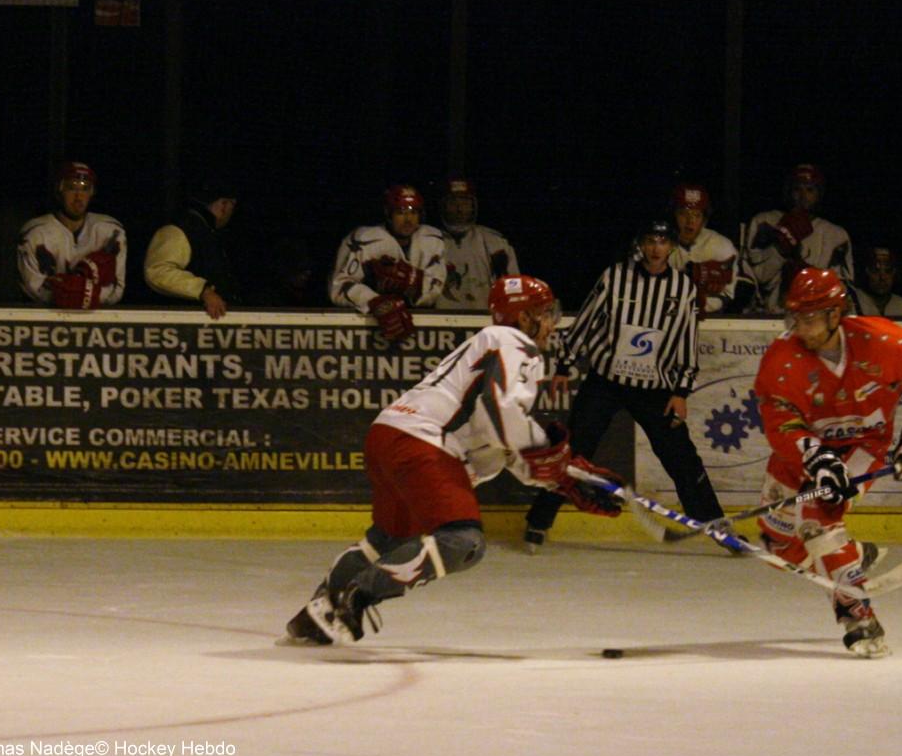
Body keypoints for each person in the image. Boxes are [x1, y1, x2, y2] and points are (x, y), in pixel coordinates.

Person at [284, 275, 622, 645]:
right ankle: (359, 596)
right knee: (462, 542)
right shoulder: (516, 344)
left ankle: (317, 612)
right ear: (523, 317)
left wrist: (560, 478)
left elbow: (498, 440)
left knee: (389, 539)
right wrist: (551, 454)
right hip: (422, 442)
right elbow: (501, 414)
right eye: (544, 313)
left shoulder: (490, 344)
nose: (552, 323)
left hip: (388, 433)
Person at [753, 267, 902, 657]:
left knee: (817, 519)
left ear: (834, 313)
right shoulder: (781, 360)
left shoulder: (885, 342)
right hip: (801, 453)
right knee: (778, 547)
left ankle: (859, 617)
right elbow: (780, 421)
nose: (800, 328)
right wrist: (815, 455)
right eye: (795, 317)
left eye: (810, 318)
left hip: (861, 448)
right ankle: (853, 555)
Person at [522, 219, 730, 552]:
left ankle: (718, 528)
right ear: (641, 244)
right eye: (650, 241)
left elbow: (686, 339)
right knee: (573, 453)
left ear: (671, 247)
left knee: (682, 458)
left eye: (662, 242)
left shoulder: (683, 288)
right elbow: (588, 320)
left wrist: (681, 391)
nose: (656, 249)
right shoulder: (615, 277)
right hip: (606, 382)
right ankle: (538, 521)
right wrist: (564, 365)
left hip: (655, 388)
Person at [330, 184, 447, 342]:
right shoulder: (364, 240)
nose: (408, 219)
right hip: (366, 328)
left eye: (413, 212)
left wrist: (410, 283)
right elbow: (339, 287)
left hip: (422, 328)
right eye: (401, 212)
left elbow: (435, 289)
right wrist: (375, 302)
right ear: (388, 213)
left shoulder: (432, 239)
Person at [741, 164, 853, 313]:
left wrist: (808, 276)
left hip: (815, 316)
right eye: (797, 189)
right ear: (788, 192)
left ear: (819, 194)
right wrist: (779, 250)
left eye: (810, 190)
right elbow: (754, 277)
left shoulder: (836, 235)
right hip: (768, 315)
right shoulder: (764, 223)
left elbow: (842, 289)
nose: (803, 196)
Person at [17, 161, 127, 309]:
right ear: (59, 191)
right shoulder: (36, 233)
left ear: (92, 193)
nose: (78, 196)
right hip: (47, 316)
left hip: (96, 316)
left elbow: (115, 291)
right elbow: (33, 287)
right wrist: (82, 293)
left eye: (85, 189)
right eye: (71, 188)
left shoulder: (110, 231)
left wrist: (77, 294)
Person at [144, 178, 241, 319]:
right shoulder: (181, 230)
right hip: (183, 323)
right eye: (232, 205)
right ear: (224, 205)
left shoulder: (206, 232)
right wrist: (204, 291)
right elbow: (158, 271)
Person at [434, 178, 520, 310]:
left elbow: (514, 289)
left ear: (473, 206)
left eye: (465, 203)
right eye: (453, 203)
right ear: (443, 206)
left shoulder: (495, 243)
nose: (459, 209)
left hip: (484, 318)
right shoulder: (429, 241)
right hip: (439, 318)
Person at [667, 183, 741, 315]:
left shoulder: (721, 245)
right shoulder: (657, 243)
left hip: (710, 319)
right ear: (673, 216)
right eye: (683, 214)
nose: (690, 221)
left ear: (704, 220)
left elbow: (727, 297)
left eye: (696, 215)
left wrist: (694, 304)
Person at [848, 245, 902, 317]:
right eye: (876, 271)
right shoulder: (853, 301)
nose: (882, 277)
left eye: (888, 271)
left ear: (894, 272)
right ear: (867, 271)